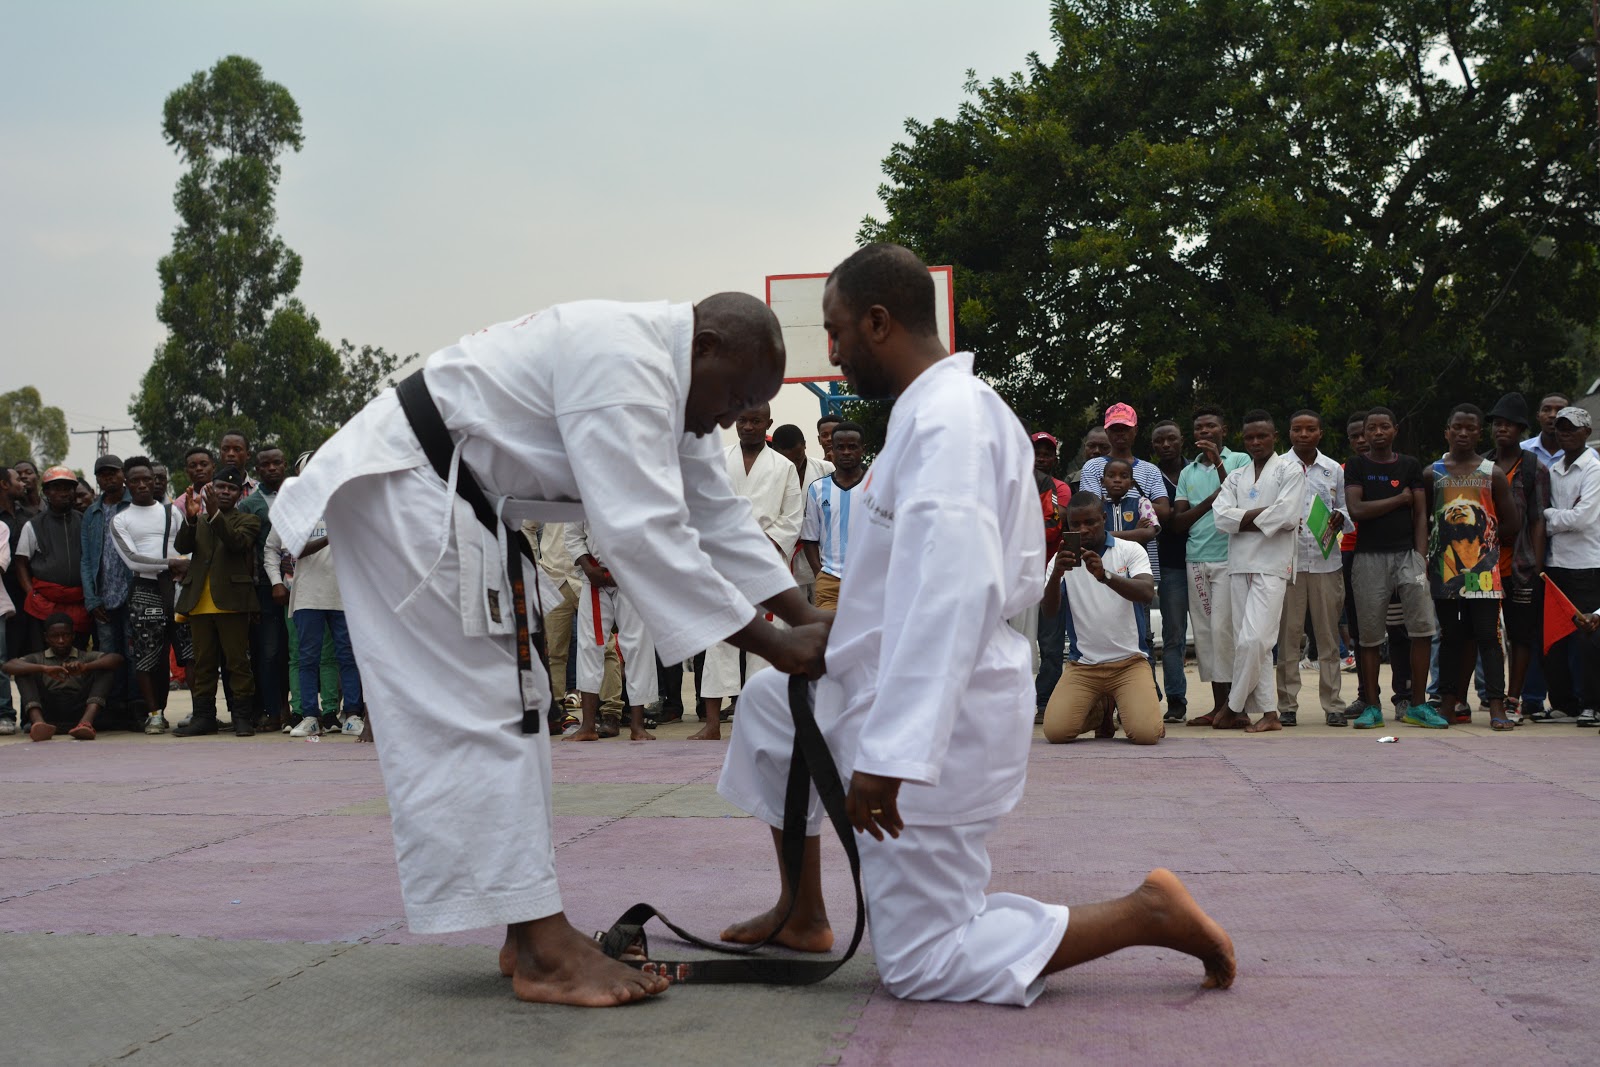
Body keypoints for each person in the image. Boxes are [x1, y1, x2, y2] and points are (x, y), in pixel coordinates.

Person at [272, 292, 829, 1008]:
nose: (731, 417)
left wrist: (803, 613)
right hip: (414, 488)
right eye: (736, 397)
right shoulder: (626, 364)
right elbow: (642, 531)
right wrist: (776, 644)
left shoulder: (676, 381)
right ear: (707, 345)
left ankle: (526, 929)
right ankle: (544, 947)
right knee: (486, 708)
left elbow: (714, 515)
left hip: (456, 495)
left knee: (523, 704)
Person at [719, 243, 1233, 1004]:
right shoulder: (933, 414)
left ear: (879, 321)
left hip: (943, 718)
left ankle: (1143, 912)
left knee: (925, 963)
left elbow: (951, 591)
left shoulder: (949, 423)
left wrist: (894, 752)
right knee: (772, 711)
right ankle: (803, 911)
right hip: (888, 684)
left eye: (836, 332)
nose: (829, 352)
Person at [695, 402, 804, 741]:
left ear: (768, 423)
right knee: (719, 638)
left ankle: (763, 719)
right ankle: (713, 723)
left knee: (767, 640)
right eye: (743, 420)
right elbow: (704, 506)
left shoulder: (783, 466)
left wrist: (766, 547)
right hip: (724, 558)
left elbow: (792, 518)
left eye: (756, 421)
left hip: (766, 560)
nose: (749, 427)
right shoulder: (718, 461)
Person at [1345, 407, 1443, 729]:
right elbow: (1357, 510)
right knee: (1370, 635)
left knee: (1422, 627)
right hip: (1368, 558)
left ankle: (1417, 704)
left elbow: (1419, 514)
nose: (1377, 433)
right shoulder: (1357, 466)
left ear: (1394, 430)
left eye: (1384, 426)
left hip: (1407, 557)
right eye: (1371, 428)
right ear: (1364, 432)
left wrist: (1421, 556)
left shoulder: (1410, 465)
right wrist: (1397, 501)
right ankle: (1371, 706)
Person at [1211, 411, 1307, 733]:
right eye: (1249, 437)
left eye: (1261, 436)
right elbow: (1220, 519)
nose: (1255, 442)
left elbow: (1289, 515)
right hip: (1239, 566)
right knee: (1254, 645)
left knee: (1254, 640)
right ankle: (1270, 714)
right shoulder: (1236, 476)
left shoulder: (1290, 469)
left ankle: (1232, 706)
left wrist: (1242, 520)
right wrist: (1262, 517)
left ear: (1274, 436)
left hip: (1272, 566)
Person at [1040, 492, 1162, 744]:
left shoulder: (1129, 550)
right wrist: (1055, 576)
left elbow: (1146, 592)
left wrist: (1106, 576)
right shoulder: (1060, 559)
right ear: (1069, 525)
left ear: (1104, 518)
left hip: (1129, 663)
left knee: (1145, 734)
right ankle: (1102, 711)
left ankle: (1128, 708)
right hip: (1084, 666)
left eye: (1091, 522)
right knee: (1056, 733)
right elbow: (1049, 612)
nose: (1083, 529)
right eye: (1076, 524)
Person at [1428, 404, 1519, 729]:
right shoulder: (1433, 473)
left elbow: (1512, 522)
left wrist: (1485, 544)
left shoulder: (1492, 473)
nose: (1463, 433)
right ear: (1447, 432)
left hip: (1484, 573)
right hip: (1444, 571)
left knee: (1488, 637)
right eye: (1458, 427)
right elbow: (1424, 521)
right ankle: (1448, 704)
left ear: (1480, 433)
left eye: (1470, 428)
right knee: (1451, 637)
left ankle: (1497, 706)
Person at [1173, 405, 1251, 726]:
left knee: (1225, 633)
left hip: (1228, 558)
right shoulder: (1187, 471)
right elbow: (1179, 523)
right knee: (1205, 636)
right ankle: (1220, 707)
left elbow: (1238, 501)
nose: (1204, 433)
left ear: (1224, 430)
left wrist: (1219, 463)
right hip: (1196, 559)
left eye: (1211, 427)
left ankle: (1237, 708)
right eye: (1199, 429)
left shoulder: (1239, 461)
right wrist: (1211, 501)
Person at [264, 491, 365, 739]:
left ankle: (352, 715)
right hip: (308, 595)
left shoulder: (347, 509)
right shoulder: (295, 513)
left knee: (348, 656)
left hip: (344, 594)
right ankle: (310, 716)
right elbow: (295, 549)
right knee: (308, 657)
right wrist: (332, 537)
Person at [172, 464, 260, 738]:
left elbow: (236, 543)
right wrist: (189, 519)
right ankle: (204, 717)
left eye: (231, 488)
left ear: (239, 494)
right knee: (203, 663)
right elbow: (182, 548)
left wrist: (215, 515)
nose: (225, 491)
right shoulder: (197, 519)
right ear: (211, 488)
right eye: (220, 486)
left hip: (232, 602)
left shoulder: (247, 520)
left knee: (237, 663)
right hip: (199, 602)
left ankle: (243, 717)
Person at [110, 456, 192, 735]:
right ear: (126, 483)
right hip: (146, 591)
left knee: (189, 651)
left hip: (178, 588)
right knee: (147, 656)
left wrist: (183, 565)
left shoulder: (172, 513)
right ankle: (155, 714)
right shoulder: (120, 520)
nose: (143, 484)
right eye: (136, 480)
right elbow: (133, 560)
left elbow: (187, 548)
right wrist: (171, 563)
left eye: (148, 479)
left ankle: (198, 711)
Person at [1277, 411, 1348, 727]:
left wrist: (1339, 518)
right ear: (1289, 433)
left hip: (1325, 562)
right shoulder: (1278, 467)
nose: (1303, 434)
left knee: (1328, 637)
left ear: (1321, 433)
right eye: (1297, 429)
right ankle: (1287, 705)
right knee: (1289, 636)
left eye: (1310, 429)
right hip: (1287, 564)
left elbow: (1345, 509)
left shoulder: (1333, 469)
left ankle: (1333, 704)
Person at [563, 521, 658, 741]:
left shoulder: (639, 487)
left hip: (632, 577)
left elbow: (650, 531)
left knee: (637, 646)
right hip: (593, 576)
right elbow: (573, 535)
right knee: (588, 646)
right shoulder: (582, 490)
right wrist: (589, 568)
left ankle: (637, 725)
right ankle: (588, 726)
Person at [1487, 393, 1548, 725]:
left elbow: (1538, 519)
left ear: (1522, 429)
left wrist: (1536, 566)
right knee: (1485, 632)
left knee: (1520, 635)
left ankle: (1514, 698)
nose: (1502, 429)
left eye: (1509, 424)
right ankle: (1492, 696)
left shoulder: (1532, 466)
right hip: (1484, 565)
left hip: (1520, 564)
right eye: (1497, 423)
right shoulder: (1482, 464)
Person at [1541, 407, 1600, 723]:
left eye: (1572, 428)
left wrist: (1549, 517)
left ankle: (1592, 703)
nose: (1564, 433)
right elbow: (1563, 516)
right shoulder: (1553, 468)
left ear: (1586, 432)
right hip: (1555, 563)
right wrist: (1556, 517)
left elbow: (1582, 518)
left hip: (1587, 565)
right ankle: (1563, 702)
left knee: (1588, 637)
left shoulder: (1594, 469)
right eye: (1560, 428)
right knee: (1554, 637)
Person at [3, 613, 123, 741]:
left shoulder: (84, 656)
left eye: (65, 635)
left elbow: (117, 659)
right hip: (49, 713)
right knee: (23, 672)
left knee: (105, 669)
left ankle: (86, 723)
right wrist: (44, 669)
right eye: (55, 636)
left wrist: (86, 667)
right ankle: (39, 723)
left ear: (73, 636)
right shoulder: (37, 658)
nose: (61, 640)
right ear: (46, 638)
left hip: (79, 711)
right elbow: (8, 666)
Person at [81, 455, 136, 721]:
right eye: (102, 474)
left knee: (133, 652)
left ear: (122, 474)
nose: (107, 478)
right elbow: (86, 559)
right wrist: (91, 599)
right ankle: (113, 709)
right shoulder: (91, 513)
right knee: (108, 654)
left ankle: (135, 707)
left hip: (130, 593)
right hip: (102, 596)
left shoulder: (133, 505)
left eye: (112, 473)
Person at [239, 443, 289, 729]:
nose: (272, 468)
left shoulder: (301, 497)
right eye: (266, 465)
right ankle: (273, 710)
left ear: (285, 464)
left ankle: (299, 708)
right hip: (266, 588)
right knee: (269, 652)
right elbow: (248, 552)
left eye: (277, 463)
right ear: (257, 470)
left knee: (295, 651)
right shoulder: (250, 504)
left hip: (301, 584)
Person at [14, 466, 89, 652]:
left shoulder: (84, 521)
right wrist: (31, 593)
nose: (63, 493)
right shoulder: (33, 525)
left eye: (68, 488)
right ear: (46, 492)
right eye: (57, 488)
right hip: (44, 603)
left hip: (79, 602)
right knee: (43, 654)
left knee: (77, 654)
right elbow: (21, 563)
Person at [801, 420, 867, 612]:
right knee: (829, 638)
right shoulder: (817, 489)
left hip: (869, 579)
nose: (846, 452)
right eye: (841, 447)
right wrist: (820, 574)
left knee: (867, 638)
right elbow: (809, 538)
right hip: (830, 582)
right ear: (833, 450)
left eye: (852, 447)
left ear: (863, 449)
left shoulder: (878, 485)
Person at [1029, 432, 1073, 719]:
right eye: (1037, 452)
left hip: (1048, 574)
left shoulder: (1060, 488)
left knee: (1050, 643)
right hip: (1016, 575)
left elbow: (1053, 528)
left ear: (1055, 459)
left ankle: (1045, 702)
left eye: (1047, 453)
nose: (1042, 458)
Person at [1150, 420, 1189, 723]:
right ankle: (1176, 699)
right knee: (1173, 634)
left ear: (1181, 441)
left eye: (1171, 439)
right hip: (1168, 562)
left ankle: (1228, 699)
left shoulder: (1197, 471)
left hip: (1206, 556)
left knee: (1219, 632)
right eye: (1160, 441)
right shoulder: (1149, 476)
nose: (1166, 445)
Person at [771, 423, 834, 604]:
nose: (795, 464)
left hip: (820, 554)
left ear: (805, 445)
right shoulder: (771, 474)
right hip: (788, 554)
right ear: (775, 452)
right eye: (789, 461)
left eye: (799, 457)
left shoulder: (826, 469)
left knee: (825, 608)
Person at [1521, 393, 1570, 469]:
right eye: (1546, 410)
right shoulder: (1522, 450)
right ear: (1538, 416)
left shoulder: (1585, 455)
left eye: (1560, 410)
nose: (1553, 415)